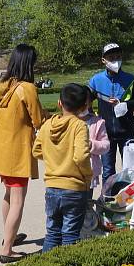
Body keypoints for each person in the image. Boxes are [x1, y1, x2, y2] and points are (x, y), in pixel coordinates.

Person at [0, 44, 46, 264]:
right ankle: (7, 249)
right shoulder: (27, 88)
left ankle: (9, 236)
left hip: (0, 149)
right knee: (18, 199)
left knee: (9, 195)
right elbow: (38, 120)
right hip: (17, 151)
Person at [32, 83, 93, 252]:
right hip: (74, 188)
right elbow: (81, 157)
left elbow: (36, 150)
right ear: (84, 107)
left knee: (52, 234)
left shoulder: (47, 125)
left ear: (60, 103)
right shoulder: (79, 125)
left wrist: (54, 156)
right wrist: (88, 177)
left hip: (52, 187)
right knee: (70, 235)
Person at [89, 43, 134, 182]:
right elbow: (86, 101)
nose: (115, 61)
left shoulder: (130, 79)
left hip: (127, 131)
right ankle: (108, 200)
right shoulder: (96, 80)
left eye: (118, 57)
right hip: (105, 134)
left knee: (131, 169)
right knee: (108, 171)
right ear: (103, 60)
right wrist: (92, 119)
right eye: (111, 58)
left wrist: (124, 104)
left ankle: (131, 199)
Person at [81, 86, 110, 198]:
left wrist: (92, 145)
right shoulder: (68, 121)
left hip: (89, 170)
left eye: (86, 101)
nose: (83, 104)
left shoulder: (97, 122)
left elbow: (105, 145)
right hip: (70, 172)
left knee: (87, 202)